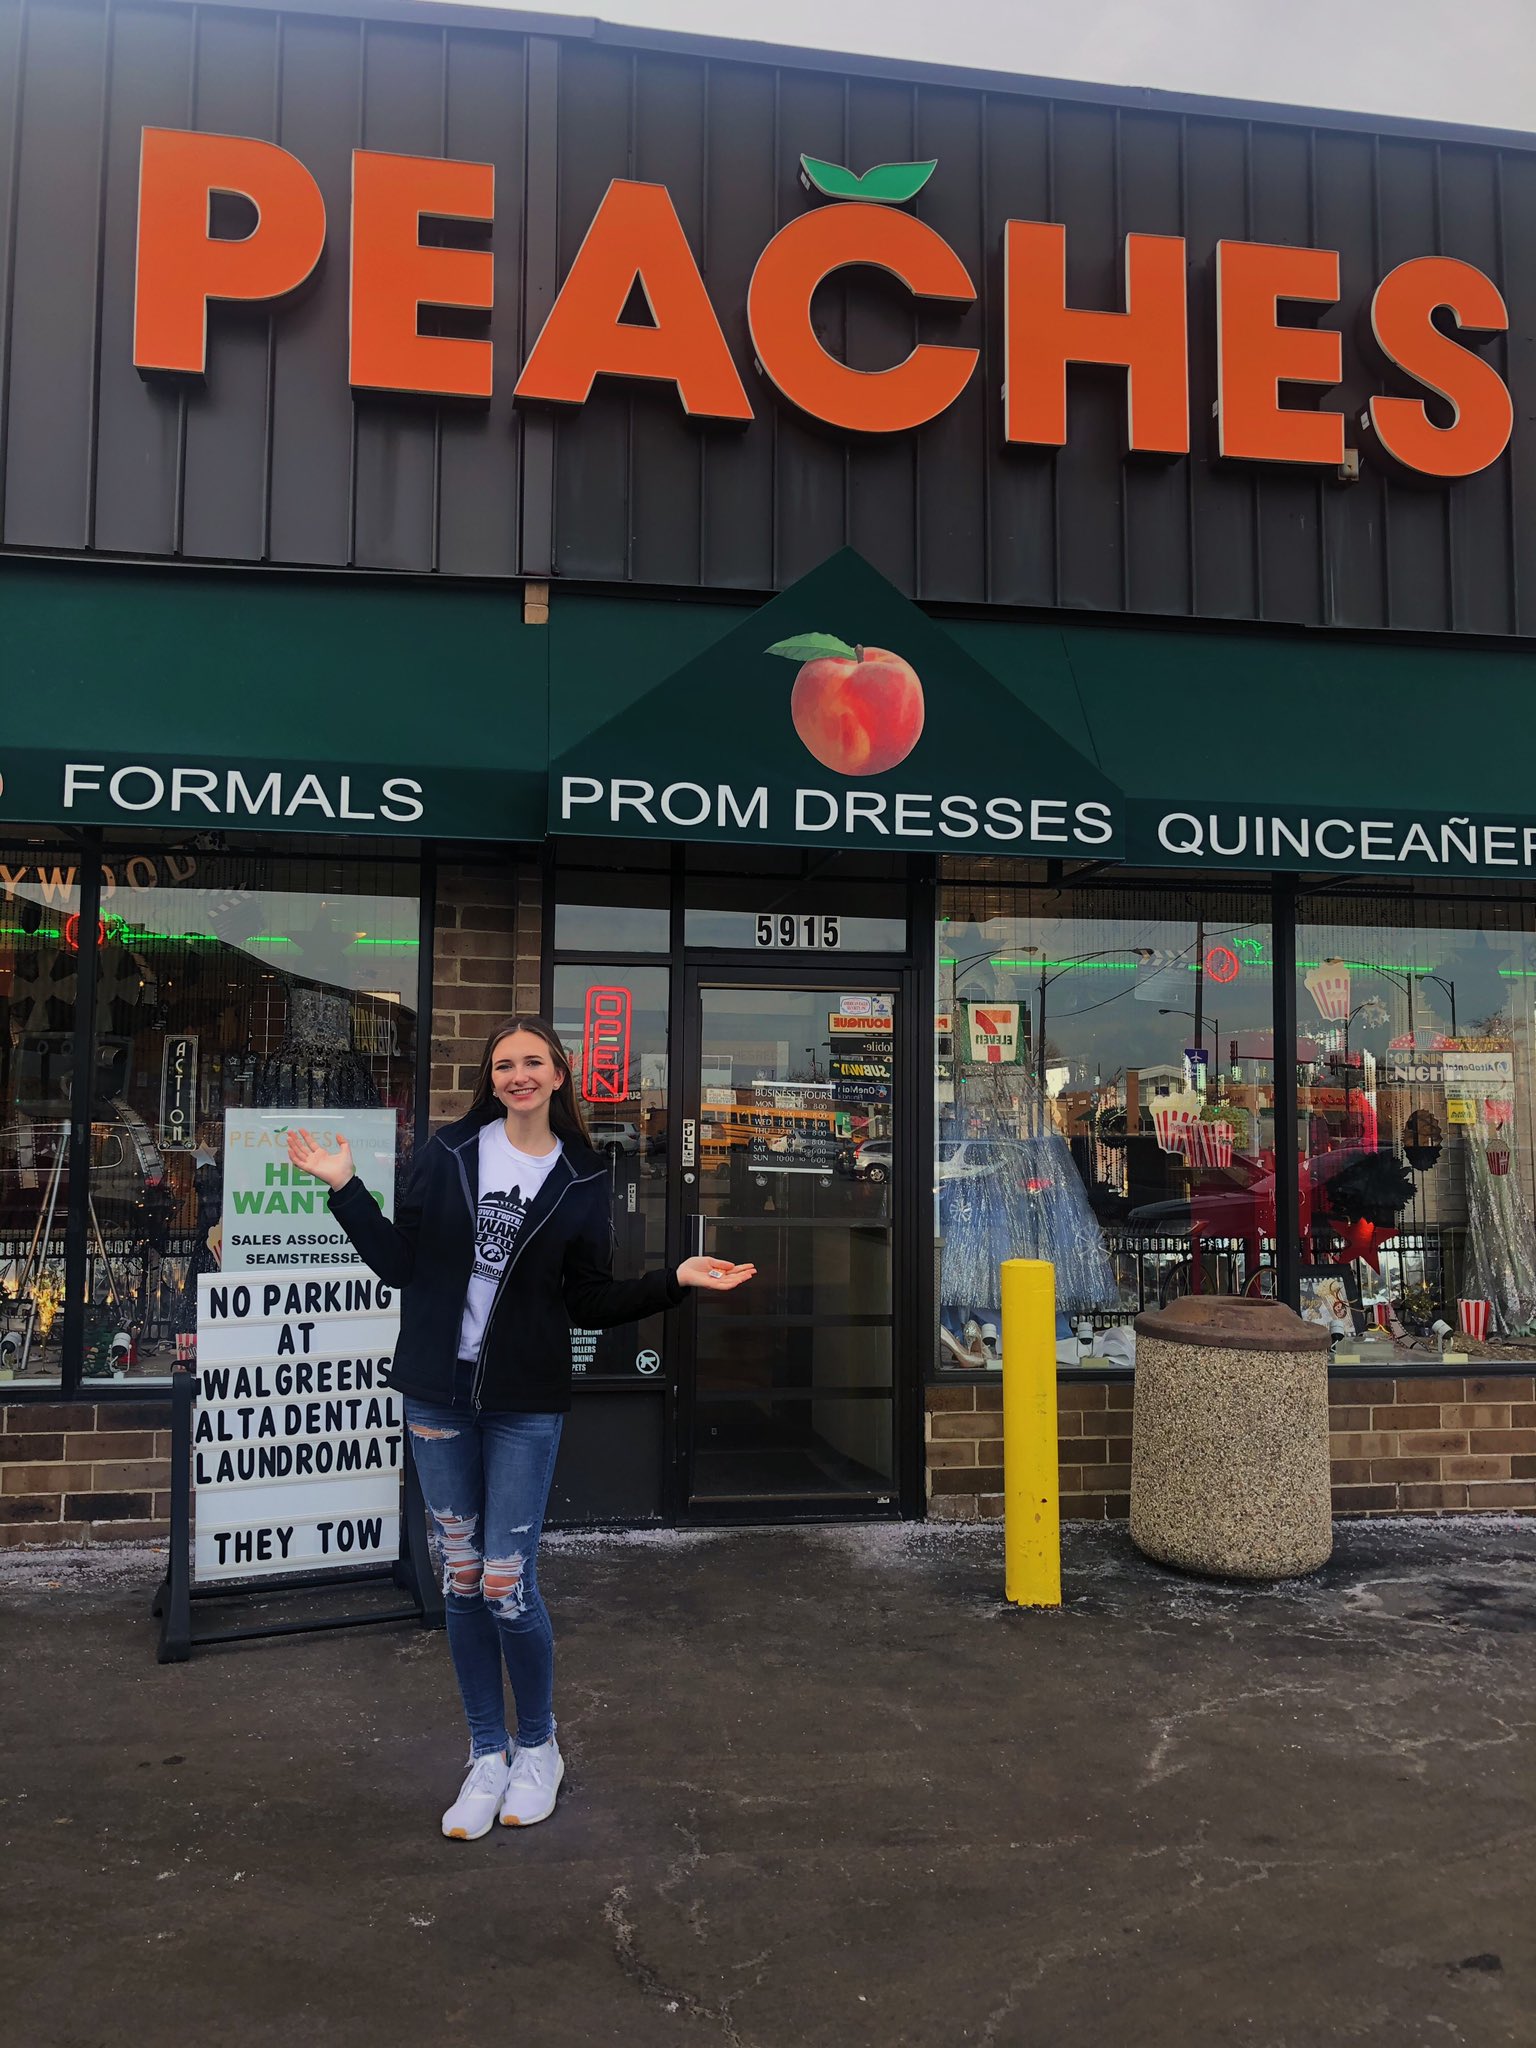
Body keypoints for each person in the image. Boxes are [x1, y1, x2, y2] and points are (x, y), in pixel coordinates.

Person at [287, 1016, 753, 1841]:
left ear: (559, 1074)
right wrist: (345, 1187)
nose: (518, 1075)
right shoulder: (449, 1153)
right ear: (491, 1078)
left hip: (524, 1402)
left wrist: (673, 1280)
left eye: (533, 1061)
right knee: (462, 1576)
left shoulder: (583, 1175)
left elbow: (588, 1298)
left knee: (507, 1583)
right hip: (438, 1397)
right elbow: (400, 1265)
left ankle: (538, 1749)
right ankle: (486, 1753)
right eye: (504, 1064)